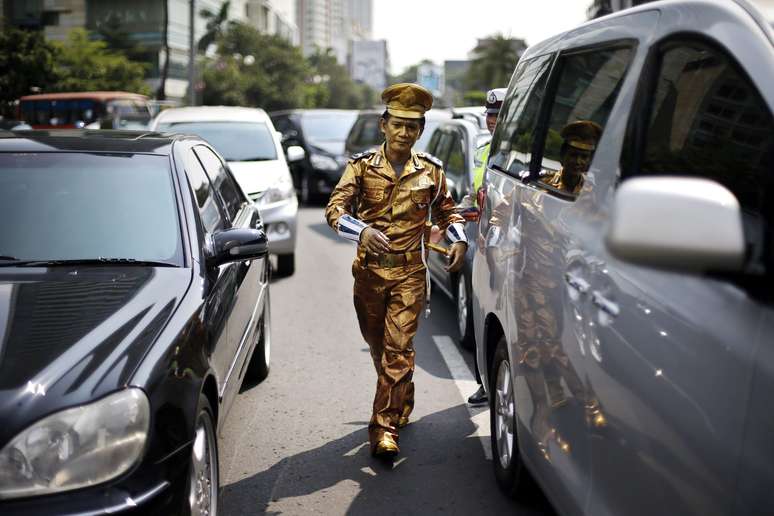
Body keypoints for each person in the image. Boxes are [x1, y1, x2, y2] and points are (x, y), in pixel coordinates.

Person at [325, 83, 468, 457]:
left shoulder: (431, 171)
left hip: (410, 275)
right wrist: (362, 231)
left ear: (420, 131)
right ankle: (400, 396)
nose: (404, 133)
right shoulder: (360, 167)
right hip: (369, 275)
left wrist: (458, 239)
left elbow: (448, 211)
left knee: (398, 348)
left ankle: (383, 429)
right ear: (383, 126)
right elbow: (335, 210)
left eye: (412, 126)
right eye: (398, 125)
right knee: (380, 348)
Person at [466, 87, 506, 406]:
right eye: (490, 115)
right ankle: (484, 382)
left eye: (498, 115)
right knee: (480, 314)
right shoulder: (482, 150)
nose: (492, 121)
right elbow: (476, 192)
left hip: (508, 250)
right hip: (481, 245)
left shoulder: (520, 154)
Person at [542, 120, 603, 195]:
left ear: (590, 160)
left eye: (584, 157)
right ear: (563, 155)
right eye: (573, 155)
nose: (578, 161)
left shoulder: (593, 192)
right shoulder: (543, 182)